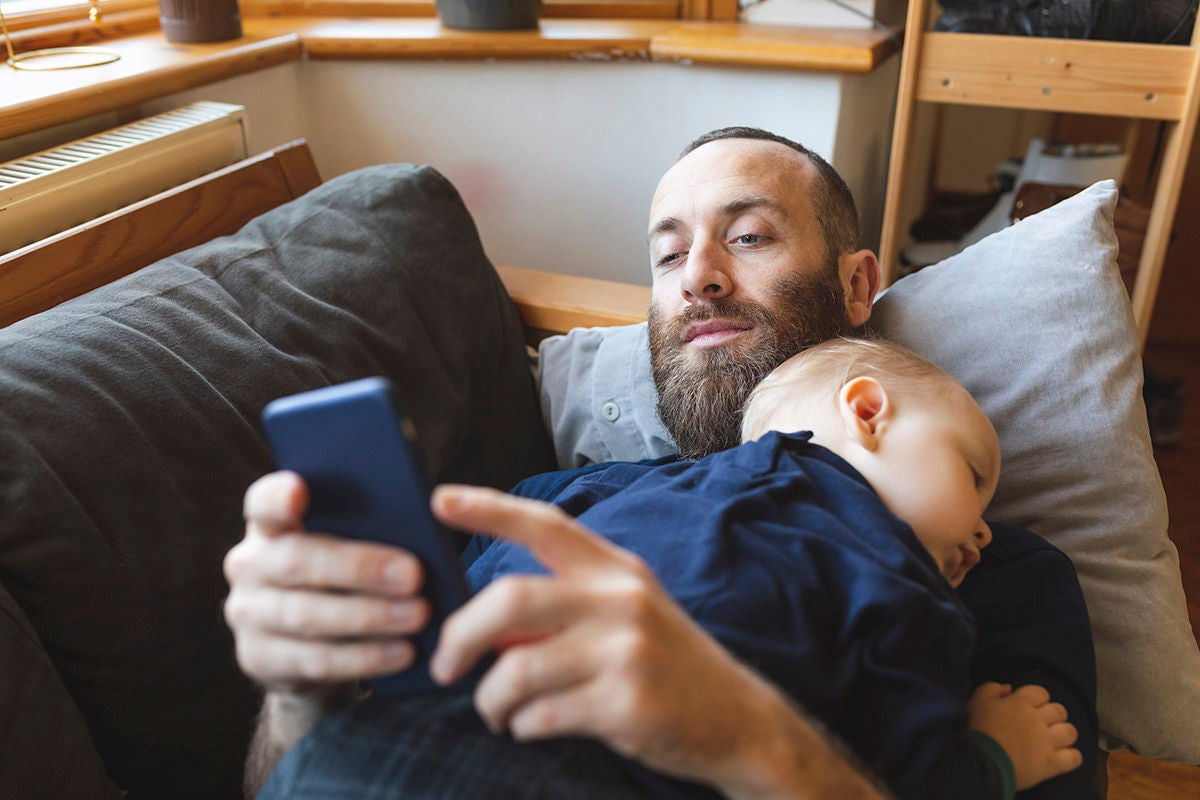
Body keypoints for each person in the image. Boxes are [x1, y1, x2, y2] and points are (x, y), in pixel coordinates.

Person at [224, 127, 1098, 799]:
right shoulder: (554, 504)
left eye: (749, 238)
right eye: (670, 254)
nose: (698, 278)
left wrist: (751, 742)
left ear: (857, 285)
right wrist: (303, 692)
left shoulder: (982, 566)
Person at [465, 336, 1078, 798]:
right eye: (974, 477)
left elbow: (503, 561)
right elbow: (912, 774)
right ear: (867, 411)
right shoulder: (898, 585)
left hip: (479, 710)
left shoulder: (636, 489)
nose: (985, 529)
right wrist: (996, 754)